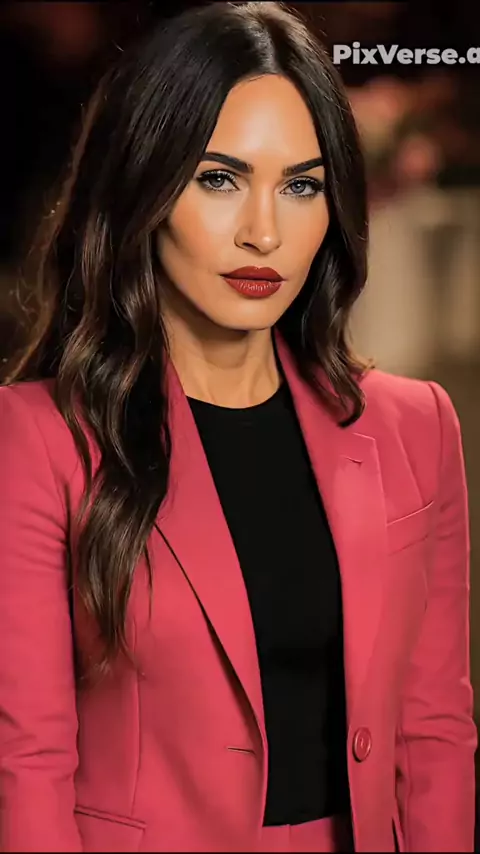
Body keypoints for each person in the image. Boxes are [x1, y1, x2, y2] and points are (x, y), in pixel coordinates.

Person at [0, 2, 476, 852]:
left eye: (301, 186)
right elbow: (27, 764)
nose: (264, 232)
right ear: (144, 188)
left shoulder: (416, 426)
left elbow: (434, 730)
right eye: (219, 179)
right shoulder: (39, 441)